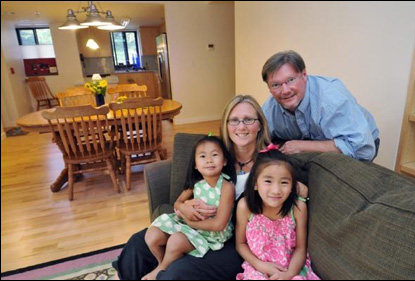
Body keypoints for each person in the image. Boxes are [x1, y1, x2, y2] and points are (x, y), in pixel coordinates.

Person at [112, 95, 307, 280]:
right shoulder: (215, 155)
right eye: (234, 120)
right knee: (138, 242)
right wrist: (183, 206)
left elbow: (296, 188)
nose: (241, 126)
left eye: (248, 119)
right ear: (226, 125)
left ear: (260, 124)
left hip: (236, 242)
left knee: (178, 272)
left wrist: (296, 187)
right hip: (201, 228)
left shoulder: (270, 162)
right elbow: (189, 188)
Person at [142, 136, 237, 280]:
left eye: (215, 155)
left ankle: (161, 270)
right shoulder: (197, 184)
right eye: (203, 156)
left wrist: (191, 222)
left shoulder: (226, 187)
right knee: (152, 236)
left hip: (212, 235)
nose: (209, 160)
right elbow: (178, 203)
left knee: (175, 241)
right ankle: (163, 265)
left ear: (224, 161)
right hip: (190, 226)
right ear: (195, 164)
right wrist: (185, 209)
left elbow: (219, 224)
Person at [261, 50, 380, 161]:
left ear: (304, 75)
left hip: (359, 141)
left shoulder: (331, 99)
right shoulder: (270, 107)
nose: (285, 90)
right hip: (310, 141)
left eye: (291, 80)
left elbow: (364, 150)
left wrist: (303, 146)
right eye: (276, 85)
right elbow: (256, 136)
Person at [236, 146, 320, 280]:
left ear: (293, 186)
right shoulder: (245, 207)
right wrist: (260, 265)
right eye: (268, 181)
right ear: (255, 183)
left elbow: (300, 248)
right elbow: (240, 244)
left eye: (284, 182)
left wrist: (289, 274)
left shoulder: (298, 208)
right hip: (258, 269)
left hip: (292, 269)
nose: (276, 190)